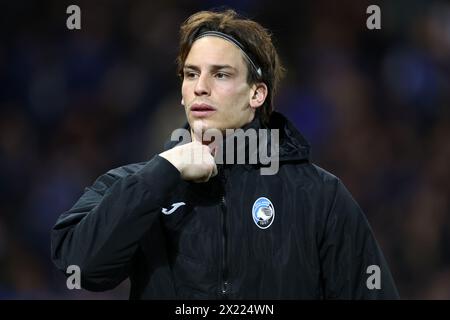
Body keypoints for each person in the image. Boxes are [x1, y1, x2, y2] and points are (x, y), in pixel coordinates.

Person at [51, 9, 399, 299]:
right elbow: (80, 268)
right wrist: (161, 174)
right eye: (191, 74)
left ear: (257, 94)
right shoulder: (137, 184)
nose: (201, 86)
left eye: (220, 74)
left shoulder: (319, 195)